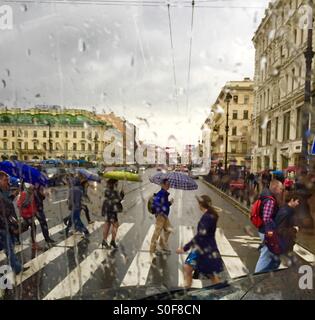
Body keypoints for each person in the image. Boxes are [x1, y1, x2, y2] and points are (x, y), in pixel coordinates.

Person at [176, 195, 223, 288]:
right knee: (188, 267)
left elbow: (200, 235)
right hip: (201, 248)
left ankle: (222, 293)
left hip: (205, 249)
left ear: (201, 204)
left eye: (198, 203)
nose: (198, 205)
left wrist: (185, 248)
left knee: (212, 275)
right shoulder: (209, 215)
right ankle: (187, 290)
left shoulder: (208, 217)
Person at [0, 171, 28, 274]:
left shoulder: (3, 191)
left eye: (7, 179)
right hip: (3, 227)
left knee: (9, 248)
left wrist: (13, 196)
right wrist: (9, 225)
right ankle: (17, 268)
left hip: (6, 225)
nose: (7, 182)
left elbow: (6, 202)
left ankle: (16, 268)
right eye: (4, 180)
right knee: (9, 248)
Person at [255, 179, 284, 273]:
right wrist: (272, 231)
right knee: (265, 254)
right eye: (280, 189)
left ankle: (267, 274)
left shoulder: (266, 195)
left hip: (265, 230)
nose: (281, 191)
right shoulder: (270, 200)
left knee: (269, 254)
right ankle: (258, 276)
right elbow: (266, 218)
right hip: (267, 231)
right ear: (275, 188)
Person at [149, 178, 174, 256]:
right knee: (157, 232)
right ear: (162, 185)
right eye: (166, 184)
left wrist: (170, 203)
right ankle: (152, 250)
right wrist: (161, 212)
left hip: (164, 215)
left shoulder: (165, 193)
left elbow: (164, 205)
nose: (168, 185)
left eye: (169, 184)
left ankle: (162, 246)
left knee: (168, 229)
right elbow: (156, 204)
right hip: (161, 215)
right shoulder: (161, 193)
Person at [274, 192, 301, 261]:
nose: (298, 204)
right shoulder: (286, 212)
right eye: (297, 201)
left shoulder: (288, 209)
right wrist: (294, 229)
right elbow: (280, 230)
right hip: (284, 244)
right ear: (292, 200)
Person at [17, 184, 43, 251]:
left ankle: (16, 234)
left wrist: (34, 211)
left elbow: (34, 204)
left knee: (25, 227)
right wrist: (27, 204)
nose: (33, 187)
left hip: (30, 214)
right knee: (33, 227)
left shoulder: (32, 193)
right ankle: (34, 244)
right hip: (26, 215)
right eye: (32, 186)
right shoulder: (24, 194)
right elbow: (19, 204)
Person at [101, 179, 124, 249]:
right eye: (117, 182)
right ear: (114, 183)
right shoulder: (114, 191)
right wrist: (122, 194)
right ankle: (112, 241)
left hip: (107, 209)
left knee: (107, 224)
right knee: (116, 225)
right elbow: (118, 200)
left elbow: (107, 199)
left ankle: (104, 241)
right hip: (112, 210)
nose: (117, 183)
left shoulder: (107, 190)